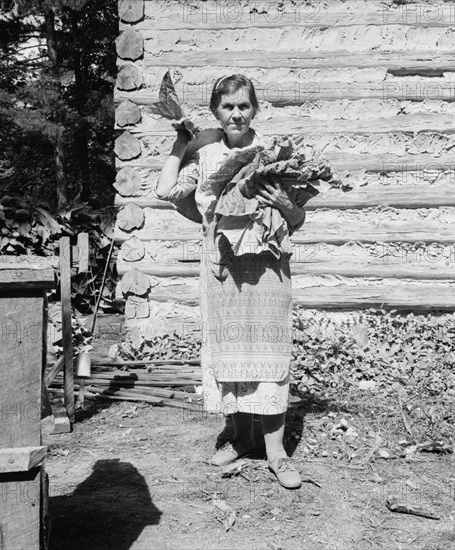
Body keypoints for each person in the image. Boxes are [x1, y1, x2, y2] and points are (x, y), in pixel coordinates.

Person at [156, 74, 306, 489]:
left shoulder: (274, 154)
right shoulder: (205, 155)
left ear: (254, 108)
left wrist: (287, 205)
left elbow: (297, 221)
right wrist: (182, 140)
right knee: (230, 353)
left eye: (243, 105)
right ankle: (241, 439)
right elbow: (164, 188)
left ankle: (277, 453)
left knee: (269, 353)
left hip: (267, 268)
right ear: (216, 112)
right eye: (227, 107)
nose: (236, 113)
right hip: (220, 267)